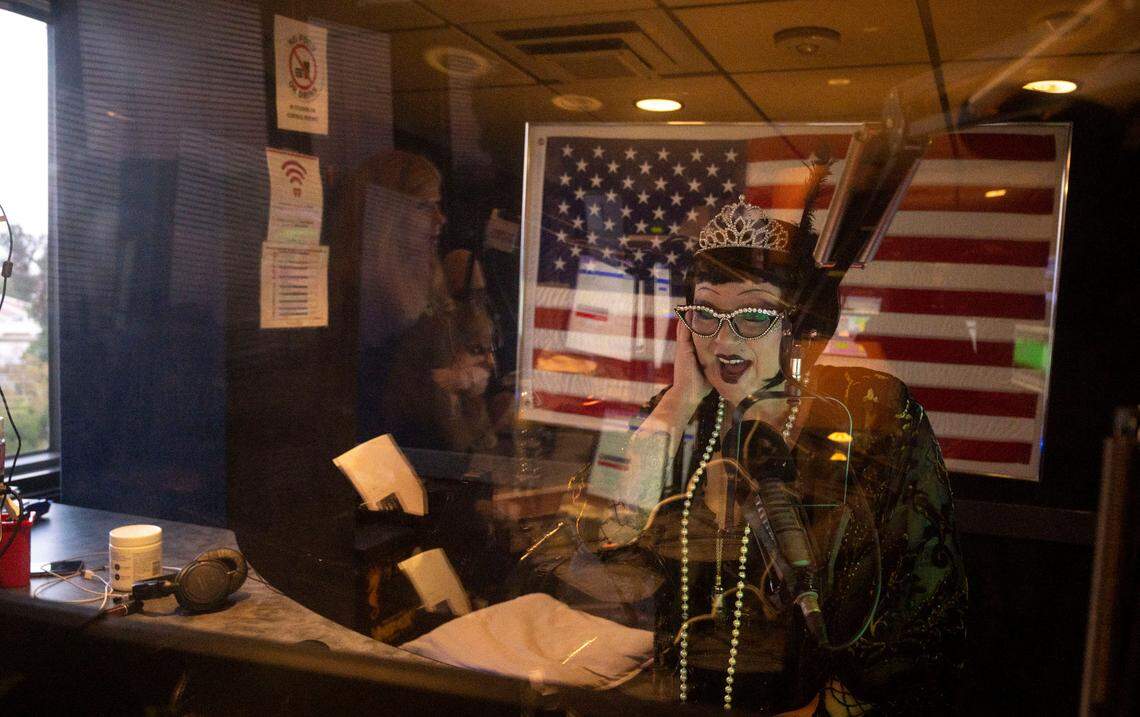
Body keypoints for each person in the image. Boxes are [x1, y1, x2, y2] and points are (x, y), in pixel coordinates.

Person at [621, 177, 967, 715]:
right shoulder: (675, 416)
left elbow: (926, 605)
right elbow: (599, 545)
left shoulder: (869, 412)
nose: (724, 340)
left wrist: (830, 709)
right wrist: (671, 410)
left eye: (755, 313)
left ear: (800, 326)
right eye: (707, 313)